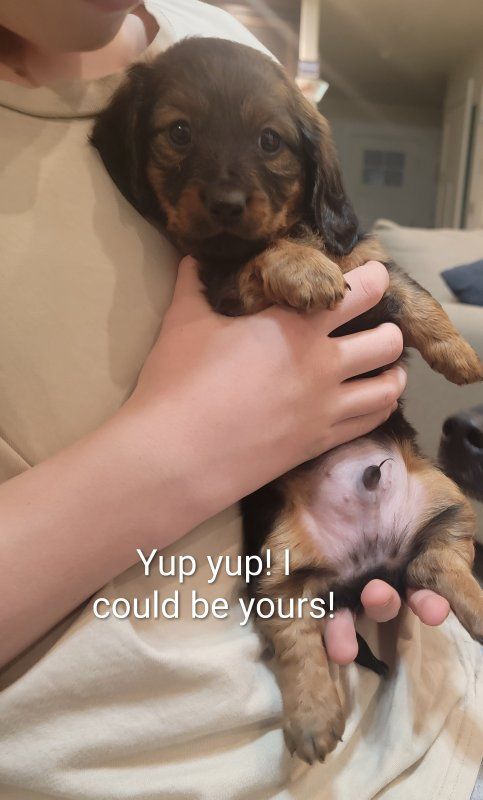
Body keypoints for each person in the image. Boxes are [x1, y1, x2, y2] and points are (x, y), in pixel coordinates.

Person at [0, 2, 480, 799]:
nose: (226, 188)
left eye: (266, 146)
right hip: (147, 766)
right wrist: (181, 444)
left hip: (432, 708)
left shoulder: (215, 35)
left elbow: (350, 258)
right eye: (180, 138)